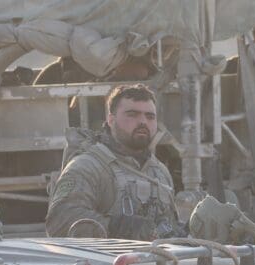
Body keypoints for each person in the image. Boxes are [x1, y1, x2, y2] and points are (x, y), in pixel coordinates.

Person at [45, 84, 180, 240]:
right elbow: (60, 221)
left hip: (155, 262)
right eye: (132, 114)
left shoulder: (160, 172)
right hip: (106, 262)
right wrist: (116, 227)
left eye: (150, 116)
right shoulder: (88, 166)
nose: (143, 121)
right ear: (110, 119)